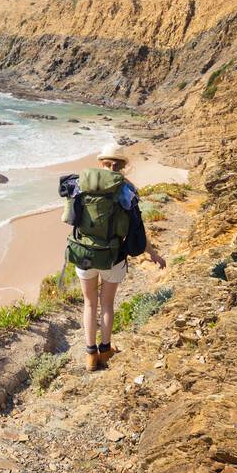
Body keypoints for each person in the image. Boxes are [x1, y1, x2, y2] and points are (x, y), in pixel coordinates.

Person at [76, 143, 166, 372]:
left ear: (101, 163)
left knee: (89, 303)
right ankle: (105, 351)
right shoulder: (127, 190)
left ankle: (90, 356)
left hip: (84, 254)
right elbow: (137, 228)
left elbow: (70, 217)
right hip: (113, 256)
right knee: (106, 304)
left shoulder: (82, 183)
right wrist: (152, 253)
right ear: (122, 167)